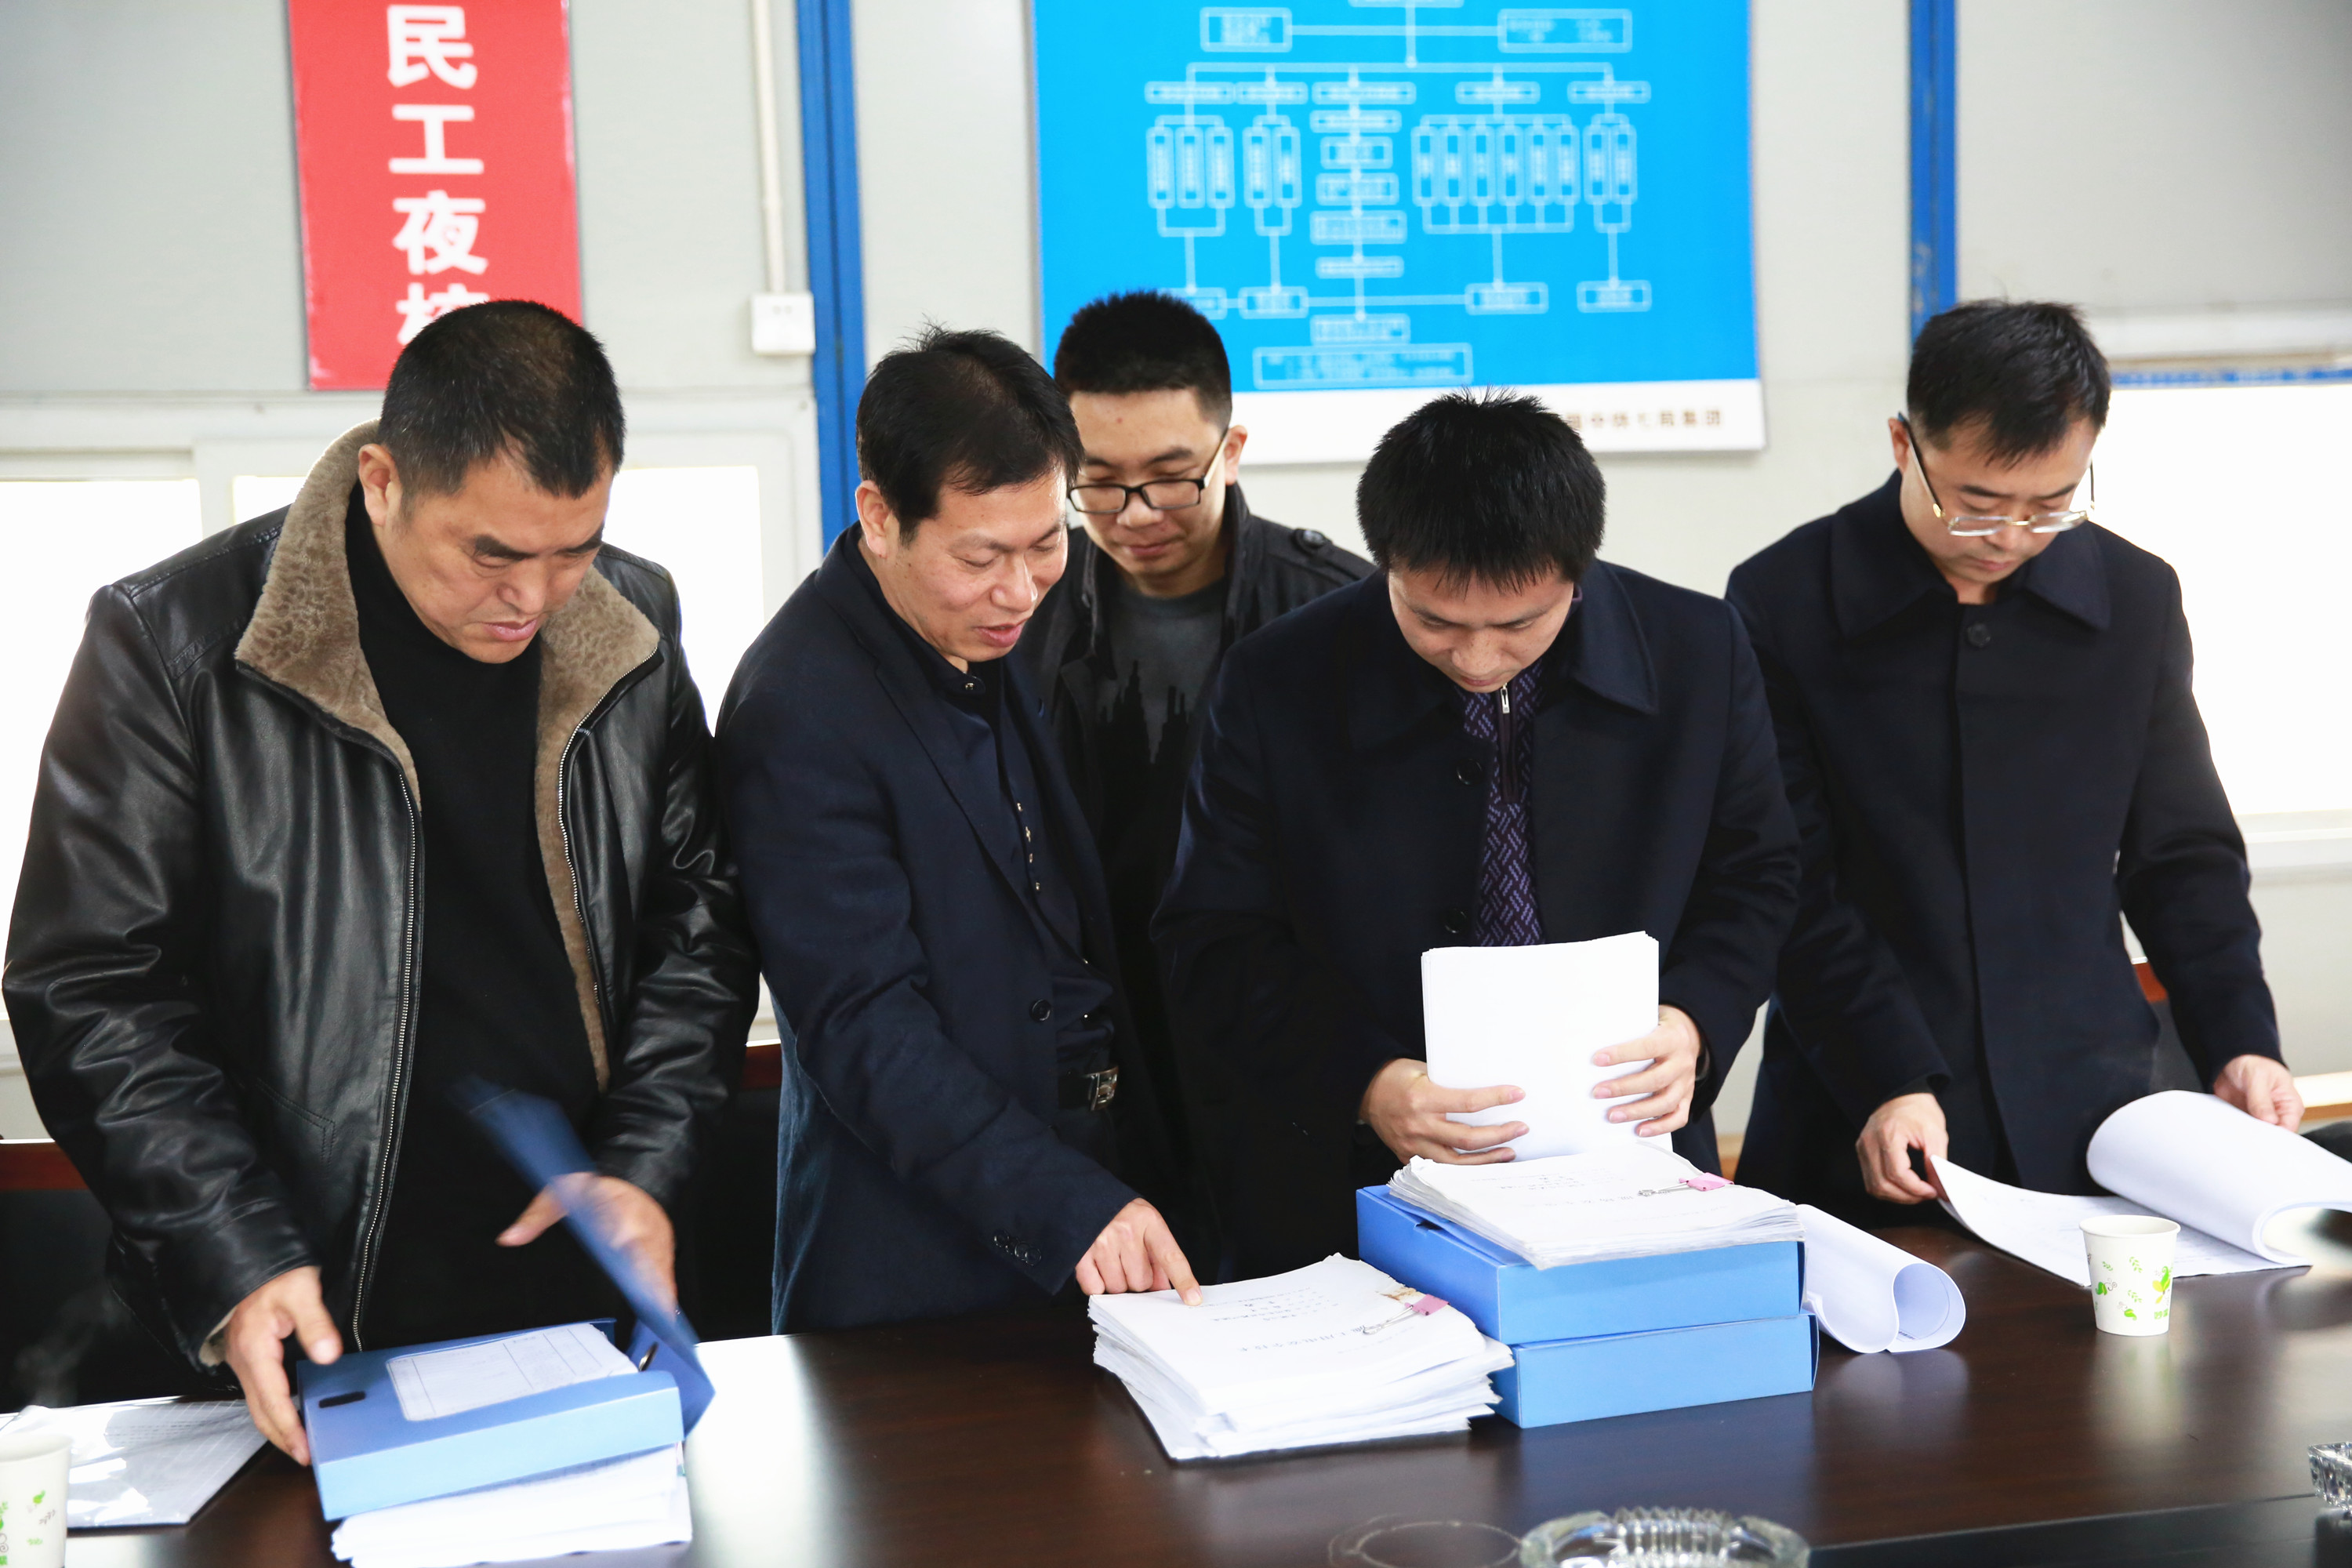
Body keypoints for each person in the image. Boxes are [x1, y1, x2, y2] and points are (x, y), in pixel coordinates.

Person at [5, 301, 759, 1461]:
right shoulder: (179, 642)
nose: (536, 598)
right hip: (308, 1284)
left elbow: (697, 917)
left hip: (576, 1265)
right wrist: (231, 1247)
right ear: (382, 481)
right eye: (491, 555)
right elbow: (91, 982)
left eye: (575, 548)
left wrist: (646, 1162)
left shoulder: (631, 623)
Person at [1156, 391, 1800, 1279]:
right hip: (1353, 1181)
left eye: (1520, 625)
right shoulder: (1277, 681)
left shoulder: (1698, 650)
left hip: (1625, 1156)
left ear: (1577, 572)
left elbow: (1758, 873)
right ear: (1386, 564)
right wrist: (1368, 1082)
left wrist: (1695, 1020)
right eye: (1435, 622)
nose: (1478, 658)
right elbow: (1215, 938)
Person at [1726, 300, 2299, 1225]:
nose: (2012, 536)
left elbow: (2182, 853)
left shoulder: (2135, 597)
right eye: (1979, 504)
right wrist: (1888, 1076)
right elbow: (1792, 878)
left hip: (2094, 1105)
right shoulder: (1783, 598)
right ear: (1904, 444)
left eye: (2052, 504)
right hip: (1867, 1101)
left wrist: (2240, 1038)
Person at [718, 326, 1200, 1330]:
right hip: (918, 1260)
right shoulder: (799, 704)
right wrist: (1065, 1203)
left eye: (1045, 543)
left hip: (1080, 1198)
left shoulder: (987, 630)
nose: (1019, 589)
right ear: (880, 517)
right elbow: (863, 1025)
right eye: (980, 556)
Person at [1018, 290, 1370, 1229]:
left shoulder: (1340, 617)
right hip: (1101, 1050)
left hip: (1286, 1045)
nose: (1136, 514)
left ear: (1232, 449)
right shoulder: (1020, 617)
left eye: (1173, 477)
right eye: (1099, 482)